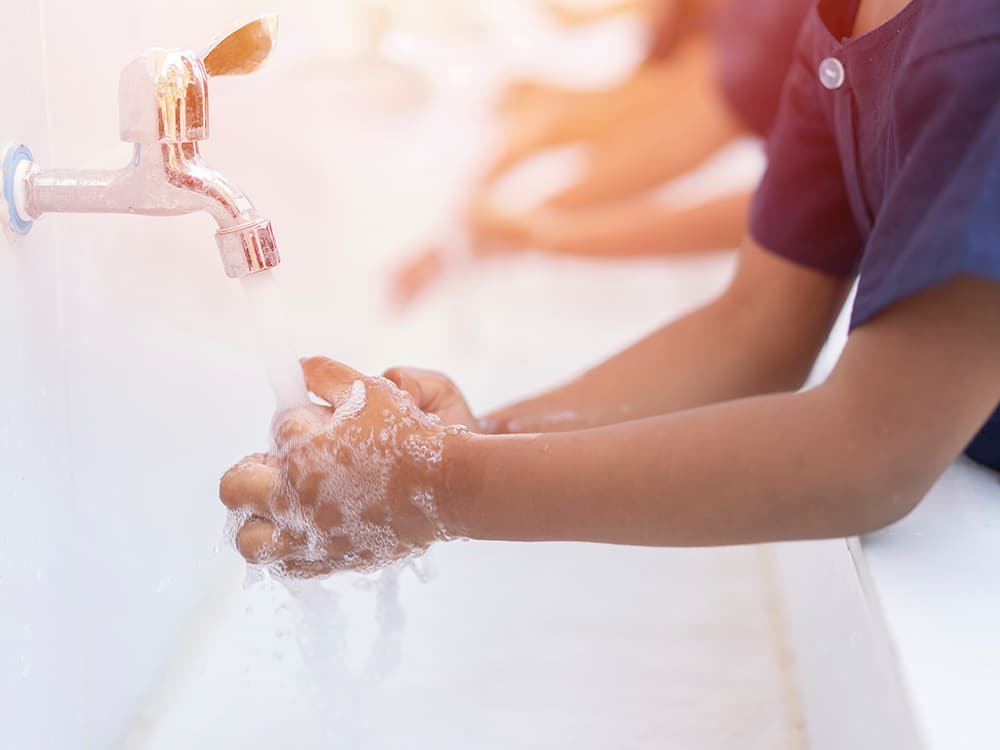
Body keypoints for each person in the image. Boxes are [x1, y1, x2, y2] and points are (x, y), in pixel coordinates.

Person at [221, 0, 1000, 576]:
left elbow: (871, 454)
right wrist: (475, 439)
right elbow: (754, 329)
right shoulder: (840, 20)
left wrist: (434, 484)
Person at [390, 0, 812, 306]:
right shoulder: (720, 68)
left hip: (709, 80)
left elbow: (762, 212)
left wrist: (538, 233)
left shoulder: (721, 81)